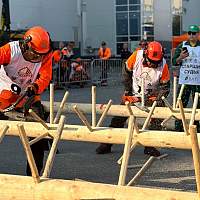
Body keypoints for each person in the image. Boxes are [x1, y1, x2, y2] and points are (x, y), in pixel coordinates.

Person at [96, 41, 170, 156]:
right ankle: (107, 143)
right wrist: (128, 89)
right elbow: (126, 72)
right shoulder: (136, 56)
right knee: (118, 118)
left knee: (158, 118)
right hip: (134, 93)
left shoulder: (163, 65)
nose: (153, 65)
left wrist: (158, 98)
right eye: (151, 62)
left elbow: (165, 87)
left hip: (151, 96)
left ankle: (150, 146)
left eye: (156, 63)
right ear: (146, 55)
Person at [0, 26, 53, 175]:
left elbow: (45, 76)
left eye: (40, 56)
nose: (37, 59)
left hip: (28, 96)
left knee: (37, 136)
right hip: (4, 96)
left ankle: (34, 175)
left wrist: (35, 86)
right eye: (35, 55)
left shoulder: (45, 54)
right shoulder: (10, 50)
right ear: (26, 45)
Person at [172, 24, 200, 132]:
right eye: (190, 33)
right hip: (185, 81)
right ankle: (179, 126)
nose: (191, 35)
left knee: (198, 105)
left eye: (194, 33)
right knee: (181, 103)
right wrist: (181, 57)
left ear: (198, 34)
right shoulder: (182, 45)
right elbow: (175, 61)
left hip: (198, 82)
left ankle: (196, 127)